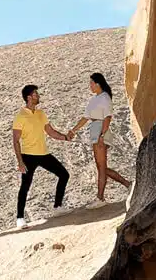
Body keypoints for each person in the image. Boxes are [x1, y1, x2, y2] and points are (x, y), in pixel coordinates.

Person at [68, 72, 132, 208]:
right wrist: (73, 130)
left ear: (97, 84)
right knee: (101, 167)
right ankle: (128, 184)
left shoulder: (105, 98)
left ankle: (100, 198)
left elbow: (108, 117)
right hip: (95, 130)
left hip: (101, 130)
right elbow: (85, 118)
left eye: (91, 83)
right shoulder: (94, 99)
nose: (89, 86)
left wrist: (102, 135)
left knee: (101, 167)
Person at [12, 84, 72, 229]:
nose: (38, 96)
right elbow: (15, 140)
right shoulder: (20, 116)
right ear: (29, 97)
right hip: (28, 156)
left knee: (64, 174)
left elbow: (50, 132)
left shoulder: (41, 113)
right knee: (25, 186)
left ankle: (57, 207)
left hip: (44, 154)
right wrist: (20, 161)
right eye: (35, 94)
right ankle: (20, 218)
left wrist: (65, 137)